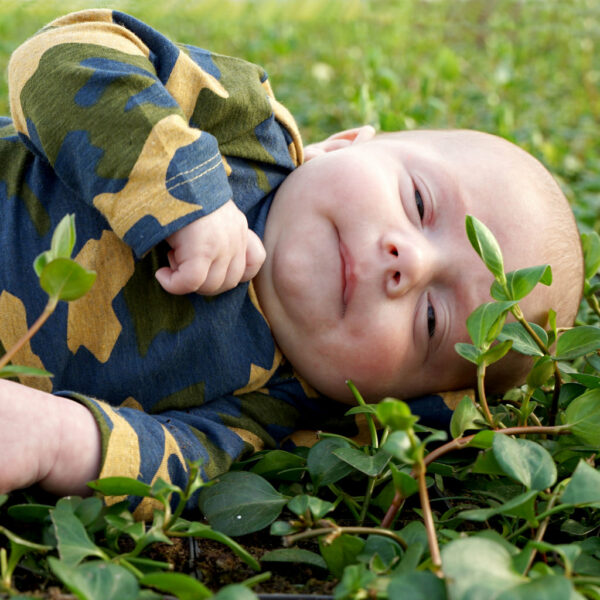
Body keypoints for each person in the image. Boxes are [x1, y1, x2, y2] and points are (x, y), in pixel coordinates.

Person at [0, 9, 583, 518]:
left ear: (391, 397)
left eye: (432, 318)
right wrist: (185, 191)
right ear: (346, 142)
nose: (409, 262)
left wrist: (53, 437)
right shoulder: (242, 132)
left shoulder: (272, 406)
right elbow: (56, 55)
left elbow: (171, 467)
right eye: (419, 203)